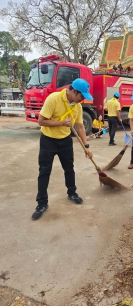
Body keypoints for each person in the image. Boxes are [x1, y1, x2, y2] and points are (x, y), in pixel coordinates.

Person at [32, 78, 93, 220]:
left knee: (69, 169)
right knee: (44, 171)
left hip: (65, 141)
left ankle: (72, 193)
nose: (82, 99)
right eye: (81, 96)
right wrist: (61, 123)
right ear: (73, 91)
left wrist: (86, 146)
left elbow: (80, 126)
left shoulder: (77, 106)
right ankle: (42, 203)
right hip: (48, 140)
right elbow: (41, 121)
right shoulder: (53, 99)